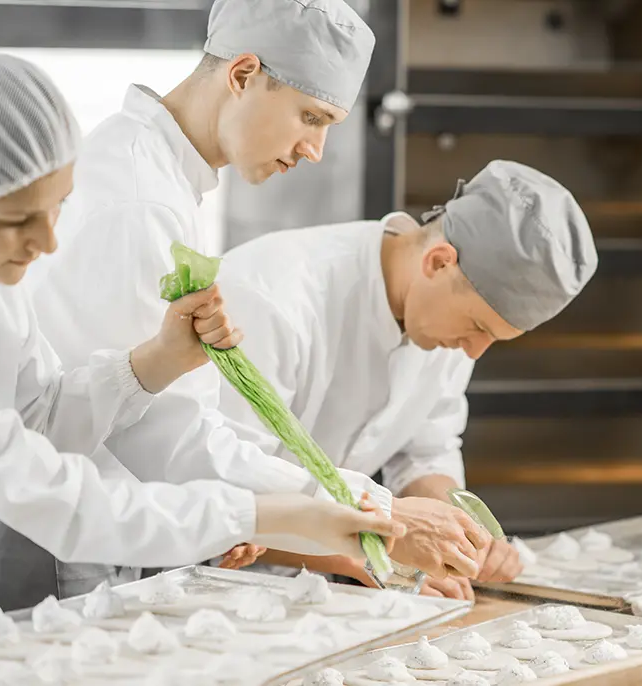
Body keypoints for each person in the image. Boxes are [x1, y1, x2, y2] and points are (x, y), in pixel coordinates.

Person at [0, 51, 404, 629]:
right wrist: (272, 515)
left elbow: (39, 417)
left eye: (57, 208)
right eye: (16, 221)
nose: (47, 243)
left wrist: (155, 362)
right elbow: (61, 499)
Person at [25, 0, 484, 603]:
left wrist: (255, 518)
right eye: (311, 117)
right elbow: (166, 441)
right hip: (52, 562)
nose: (315, 149)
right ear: (242, 75)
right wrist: (374, 512)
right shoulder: (139, 199)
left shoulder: (162, 177)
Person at [214, 160, 598, 598]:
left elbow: (425, 453)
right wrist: (374, 553)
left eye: (494, 338)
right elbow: (224, 491)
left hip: (307, 592)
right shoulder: (274, 296)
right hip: (192, 582)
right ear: (438, 262)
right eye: (478, 327)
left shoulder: (448, 321)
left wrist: (461, 534)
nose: (474, 351)